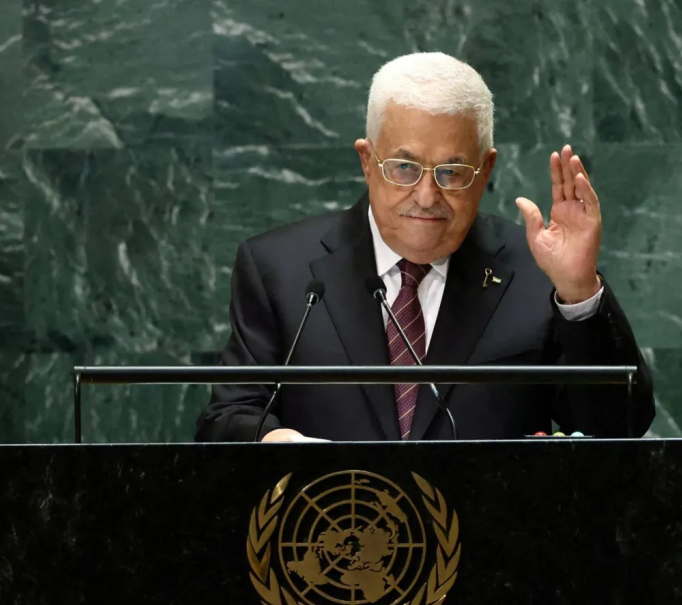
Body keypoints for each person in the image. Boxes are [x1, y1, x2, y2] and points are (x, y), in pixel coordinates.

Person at [196, 52, 654, 443]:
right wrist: (274, 441)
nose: (427, 196)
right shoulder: (280, 269)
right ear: (366, 161)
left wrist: (578, 291)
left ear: (487, 168)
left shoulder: (538, 271)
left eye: (452, 172)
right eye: (404, 167)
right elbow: (228, 416)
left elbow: (620, 428)